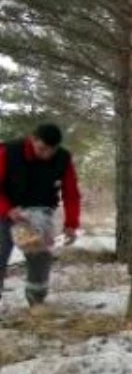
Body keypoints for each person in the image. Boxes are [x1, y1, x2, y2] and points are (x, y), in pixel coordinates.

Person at [0, 123, 80, 307]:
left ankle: (36, 303)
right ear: (32, 139)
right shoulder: (9, 152)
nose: (46, 155)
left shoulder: (63, 158)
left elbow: (71, 193)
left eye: (51, 150)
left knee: (40, 258)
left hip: (40, 216)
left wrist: (71, 224)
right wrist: (8, 210)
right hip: (6, 213)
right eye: (42, 149)